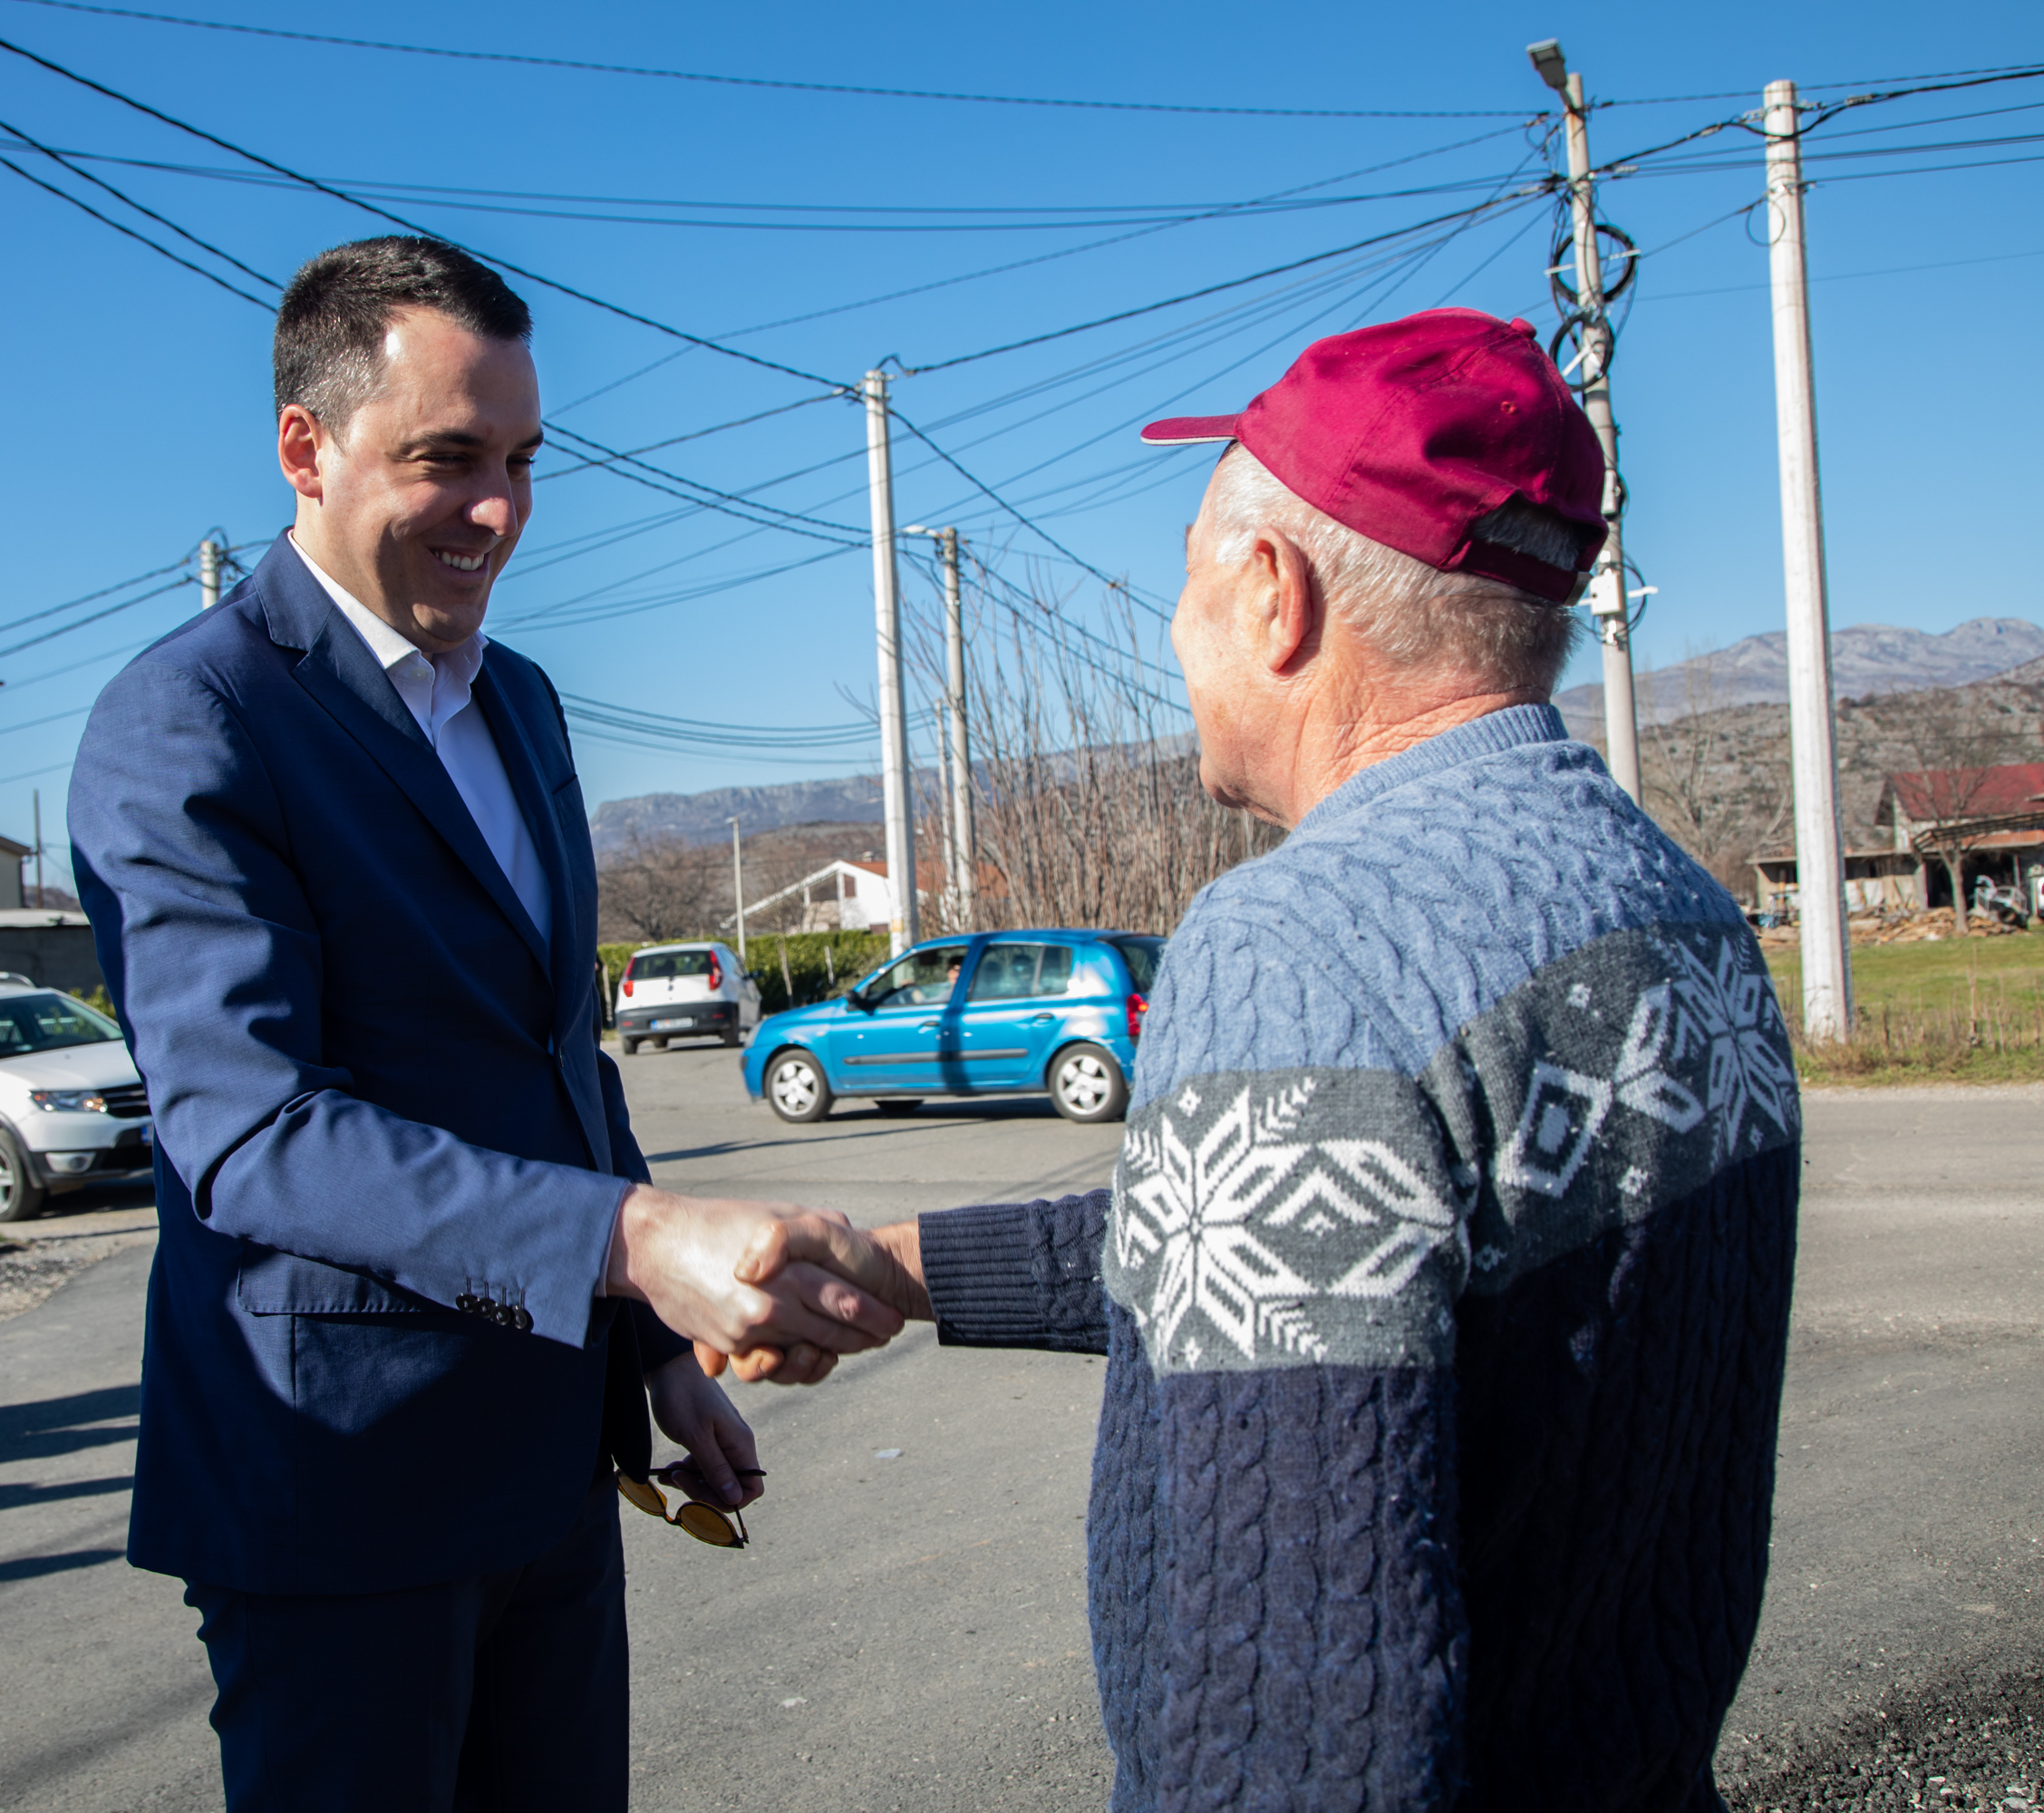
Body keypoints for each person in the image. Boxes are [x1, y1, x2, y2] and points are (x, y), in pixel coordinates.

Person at [741, 309, 1802, 1810]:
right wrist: (908, 1267)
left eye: (1185, 577)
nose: (1175, 635)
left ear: (1271, 592)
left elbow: (1305, 1709)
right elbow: (1346, 1238)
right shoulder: (1684, 909)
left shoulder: (1303, 944)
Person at [67, 237, 903, 1811]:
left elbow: (552, 1059)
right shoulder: (189, 719)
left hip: (548, 1475)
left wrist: (652, 1348)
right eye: (449, 459)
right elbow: (252, 1133)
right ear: (304, 449)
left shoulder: (519, 700)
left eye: (523, 460)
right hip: (337, 1494)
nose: (502, 512)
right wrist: (633, 1238)